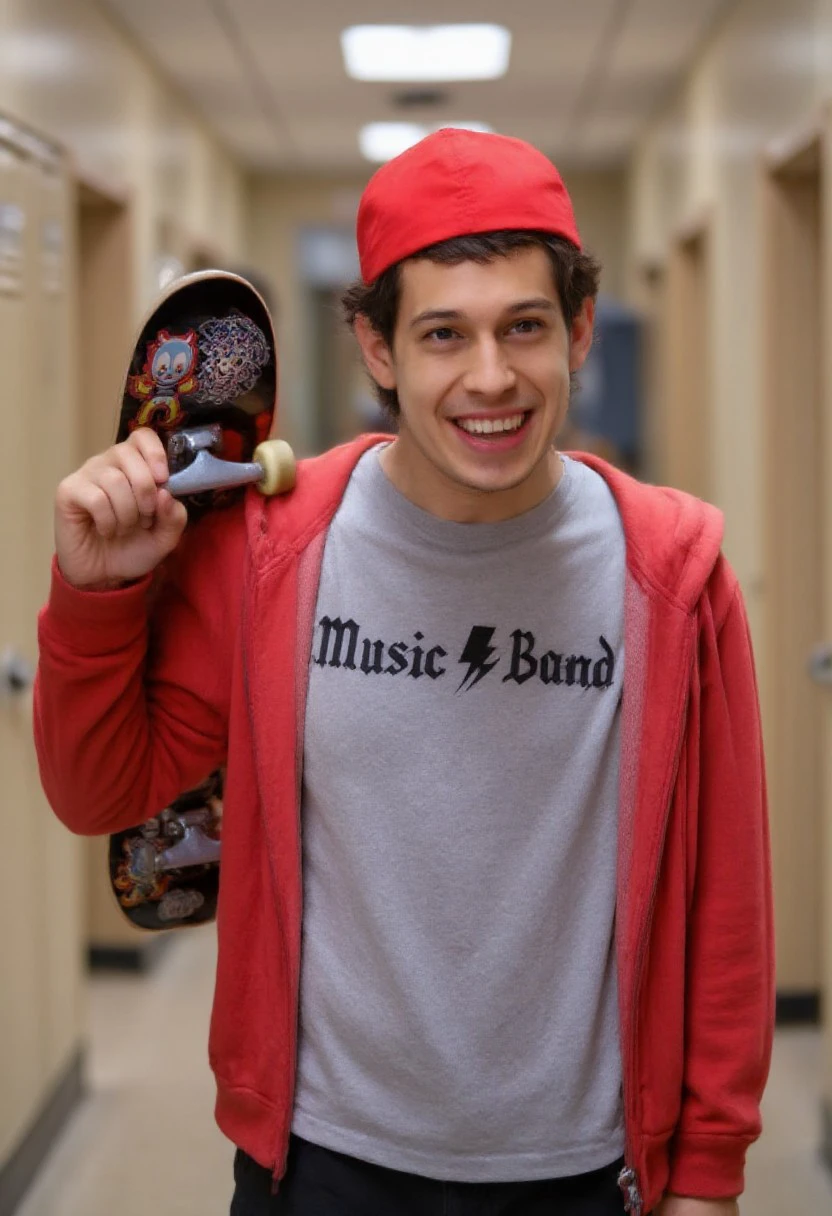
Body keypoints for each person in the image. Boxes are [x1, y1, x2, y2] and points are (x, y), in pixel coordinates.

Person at [34, 129, 773, 1216]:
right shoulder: (270, 551)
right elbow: (99, 790)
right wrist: (96, 597)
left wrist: (708, 1173)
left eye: (524, 326)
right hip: (323, 1161)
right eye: (442, 334)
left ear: (576, 333)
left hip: (586, 1170)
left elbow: (725, 898)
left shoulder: (674, 577)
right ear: (377, 350)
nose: (490, 377)